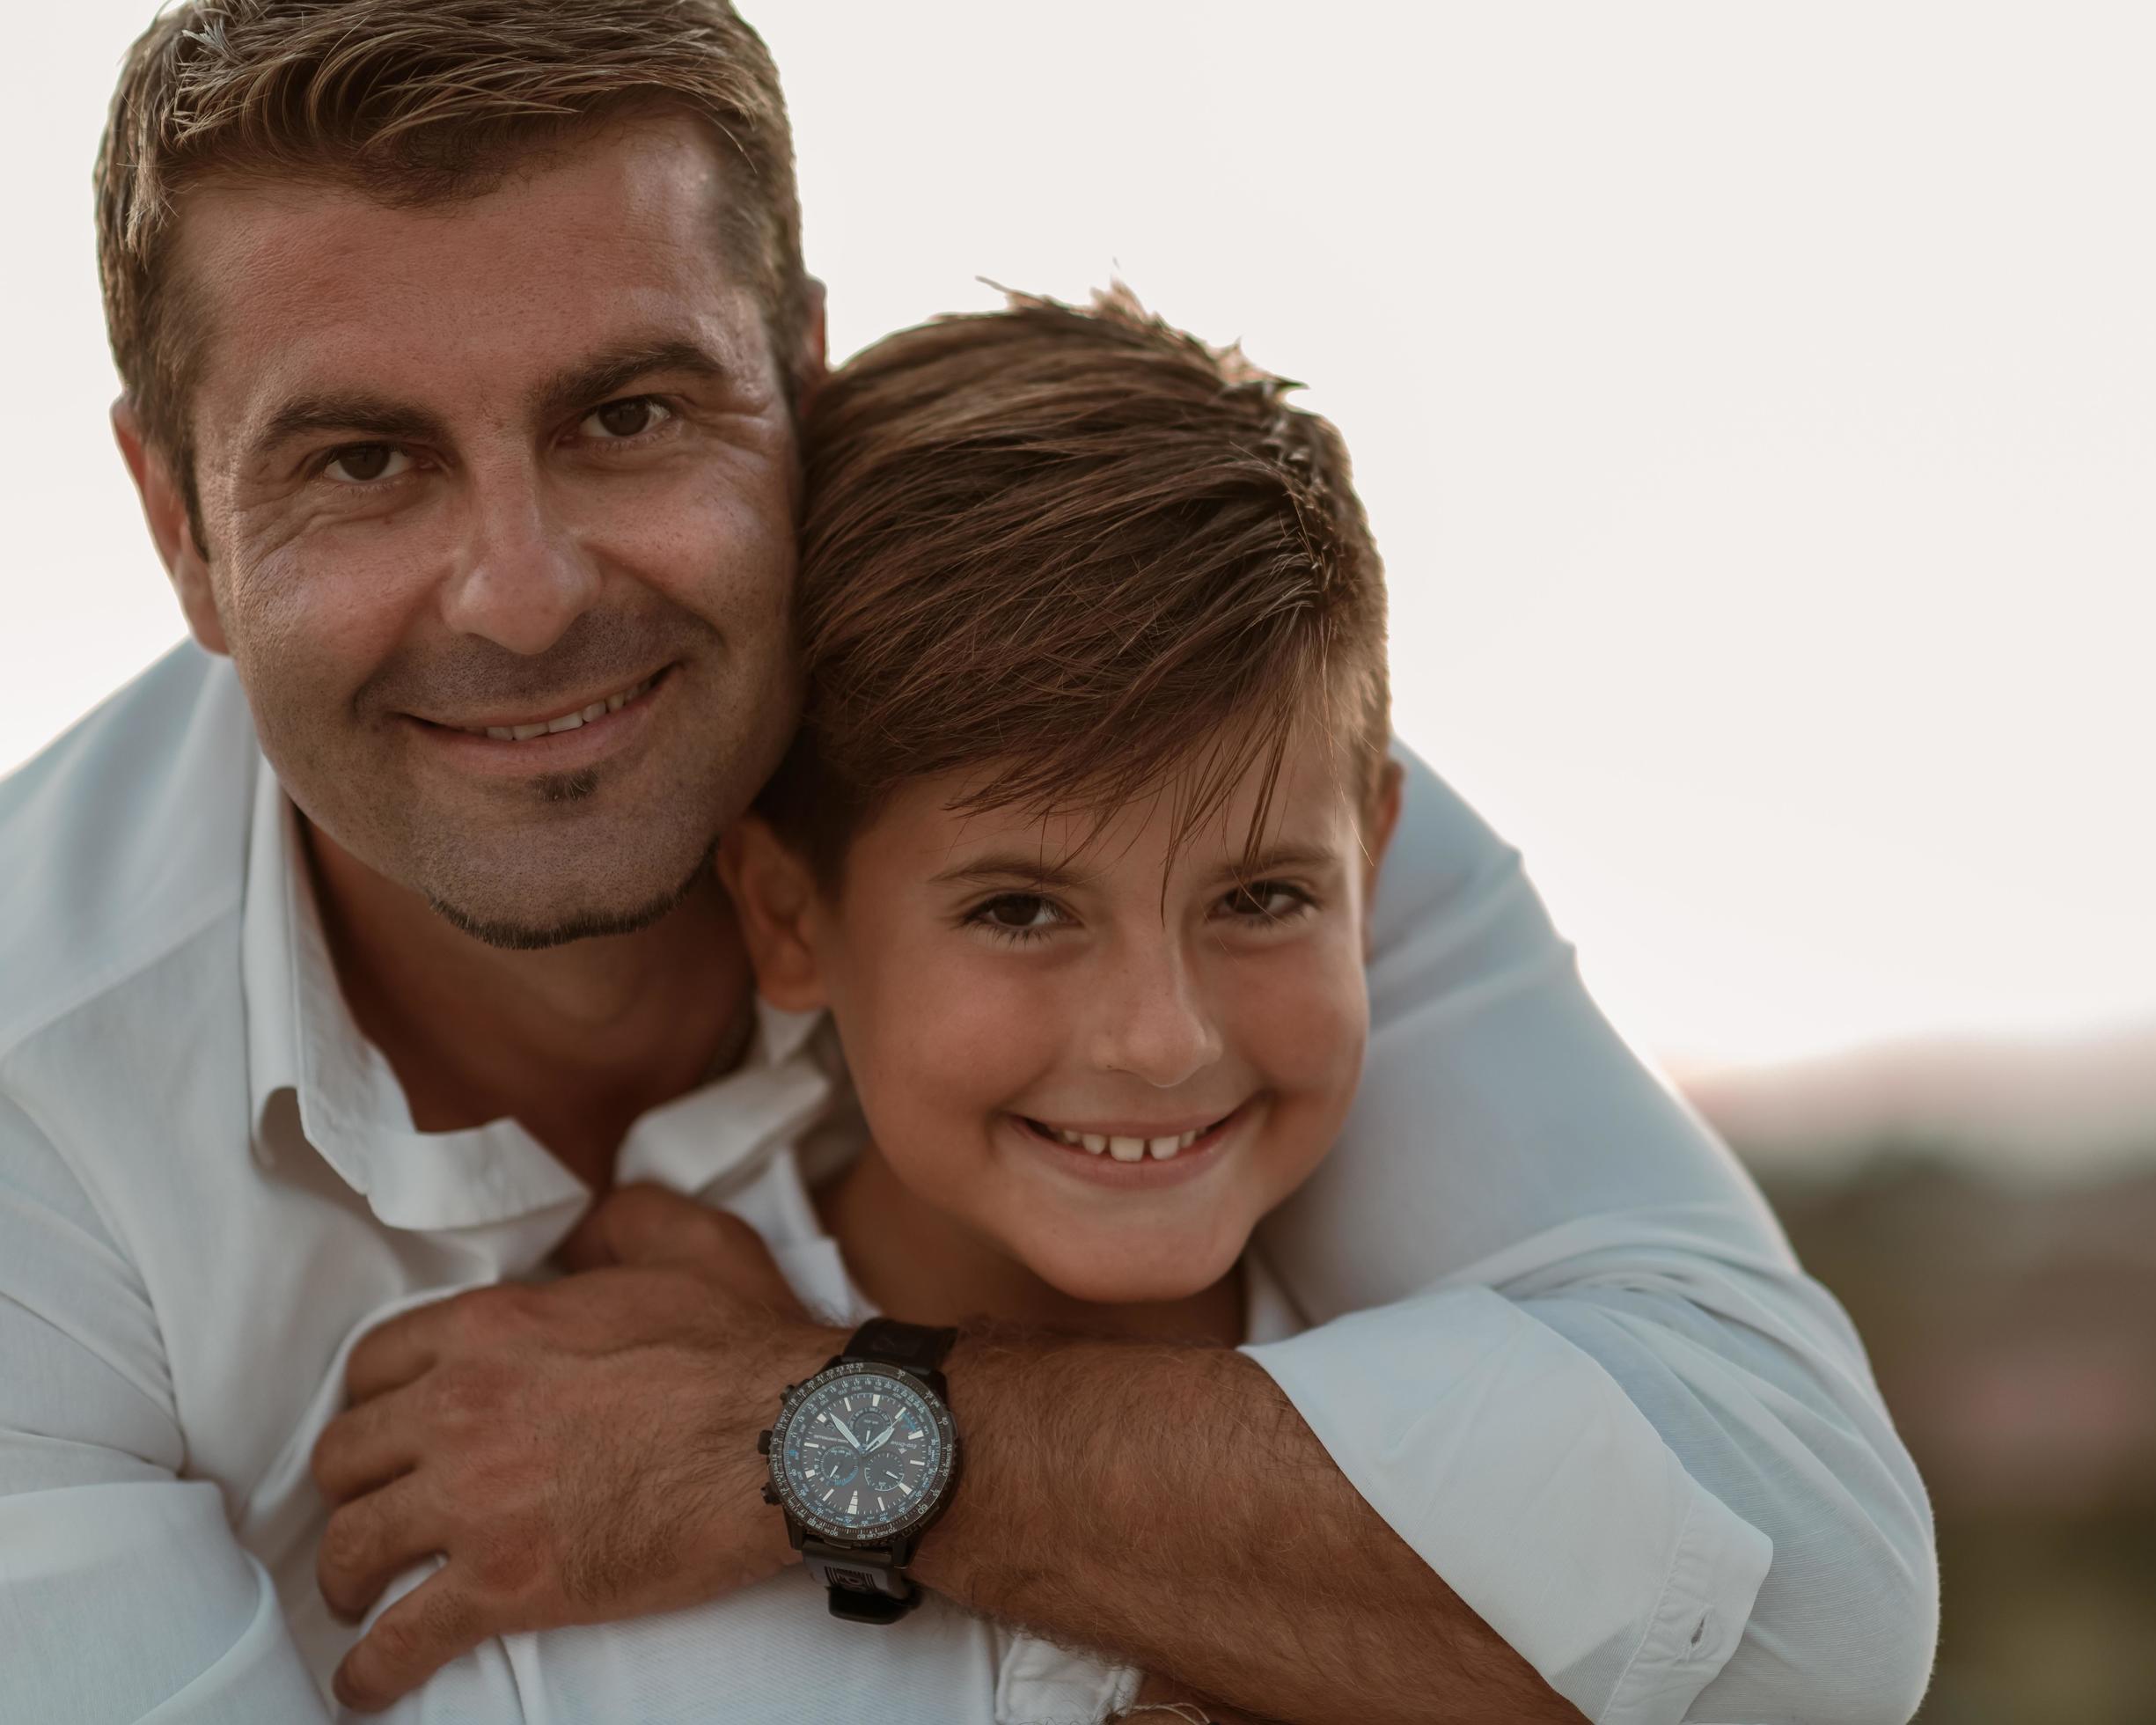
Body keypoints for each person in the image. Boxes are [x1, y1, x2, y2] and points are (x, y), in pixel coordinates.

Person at [0, 4, 1937, 1722]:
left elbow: (1801, 1601)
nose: (522, 596)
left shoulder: (1140, 770)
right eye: (361, 461)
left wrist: (805, 1432)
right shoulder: (30, 1103)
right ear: (176, 518)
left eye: (633, 412)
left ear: (805, 384)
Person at [356, 281, 1419, 1723]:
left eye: (1262, 899)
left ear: (1380, 850)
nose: (1163, 1040)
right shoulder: (548, 1546)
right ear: (791, 919)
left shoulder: (1507, 1410)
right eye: (1020, 911)